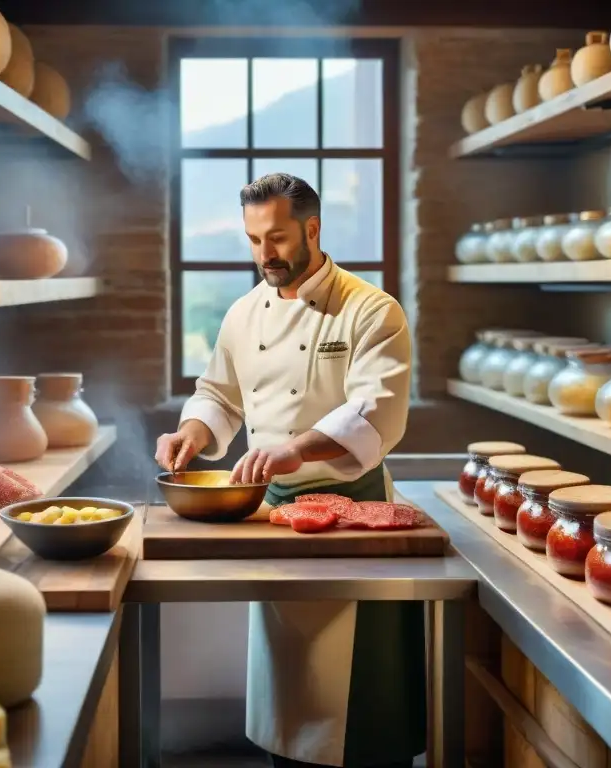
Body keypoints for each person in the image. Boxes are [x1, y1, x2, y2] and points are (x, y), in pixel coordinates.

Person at [155, 173, 423, 767]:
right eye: (253, 240)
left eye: (275, 238)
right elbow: (219, 395)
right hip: (272, 512)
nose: (263, 255)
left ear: (312, 228)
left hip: (354, 514)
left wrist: (298, 448)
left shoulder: (371, 310)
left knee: (364, 713)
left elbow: (377, 413)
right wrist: (190, 434)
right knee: (290, 694)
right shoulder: (244, 313)